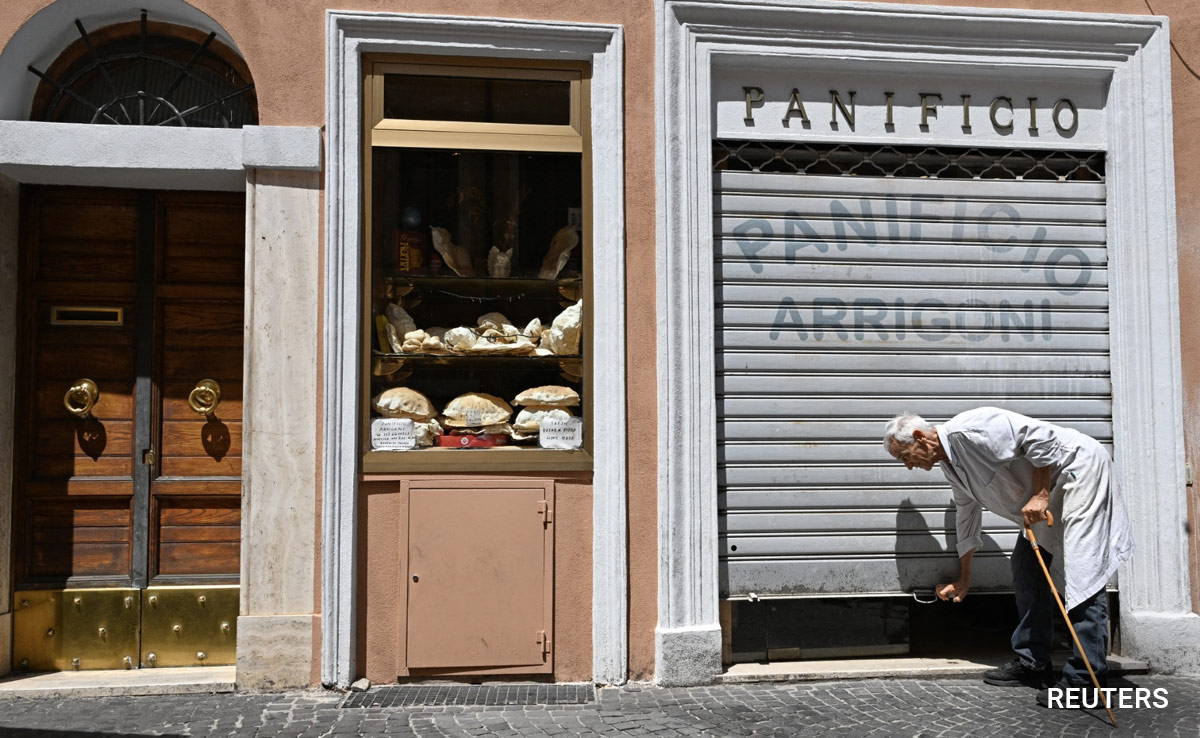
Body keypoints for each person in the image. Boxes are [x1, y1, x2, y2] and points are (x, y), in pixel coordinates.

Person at [882, 407, 1133, 703]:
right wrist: (964, 579)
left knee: (1084, 572)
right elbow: (967, 517)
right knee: (1026, 566)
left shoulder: (971, 428)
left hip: (1078, 473)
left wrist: (1040, 494)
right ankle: (1034, 664)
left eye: (905, 456)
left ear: (919, 437)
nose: (908, 466)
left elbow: (1042, 438)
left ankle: (1086, 680)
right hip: (1049, 490)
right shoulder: (951, 467)